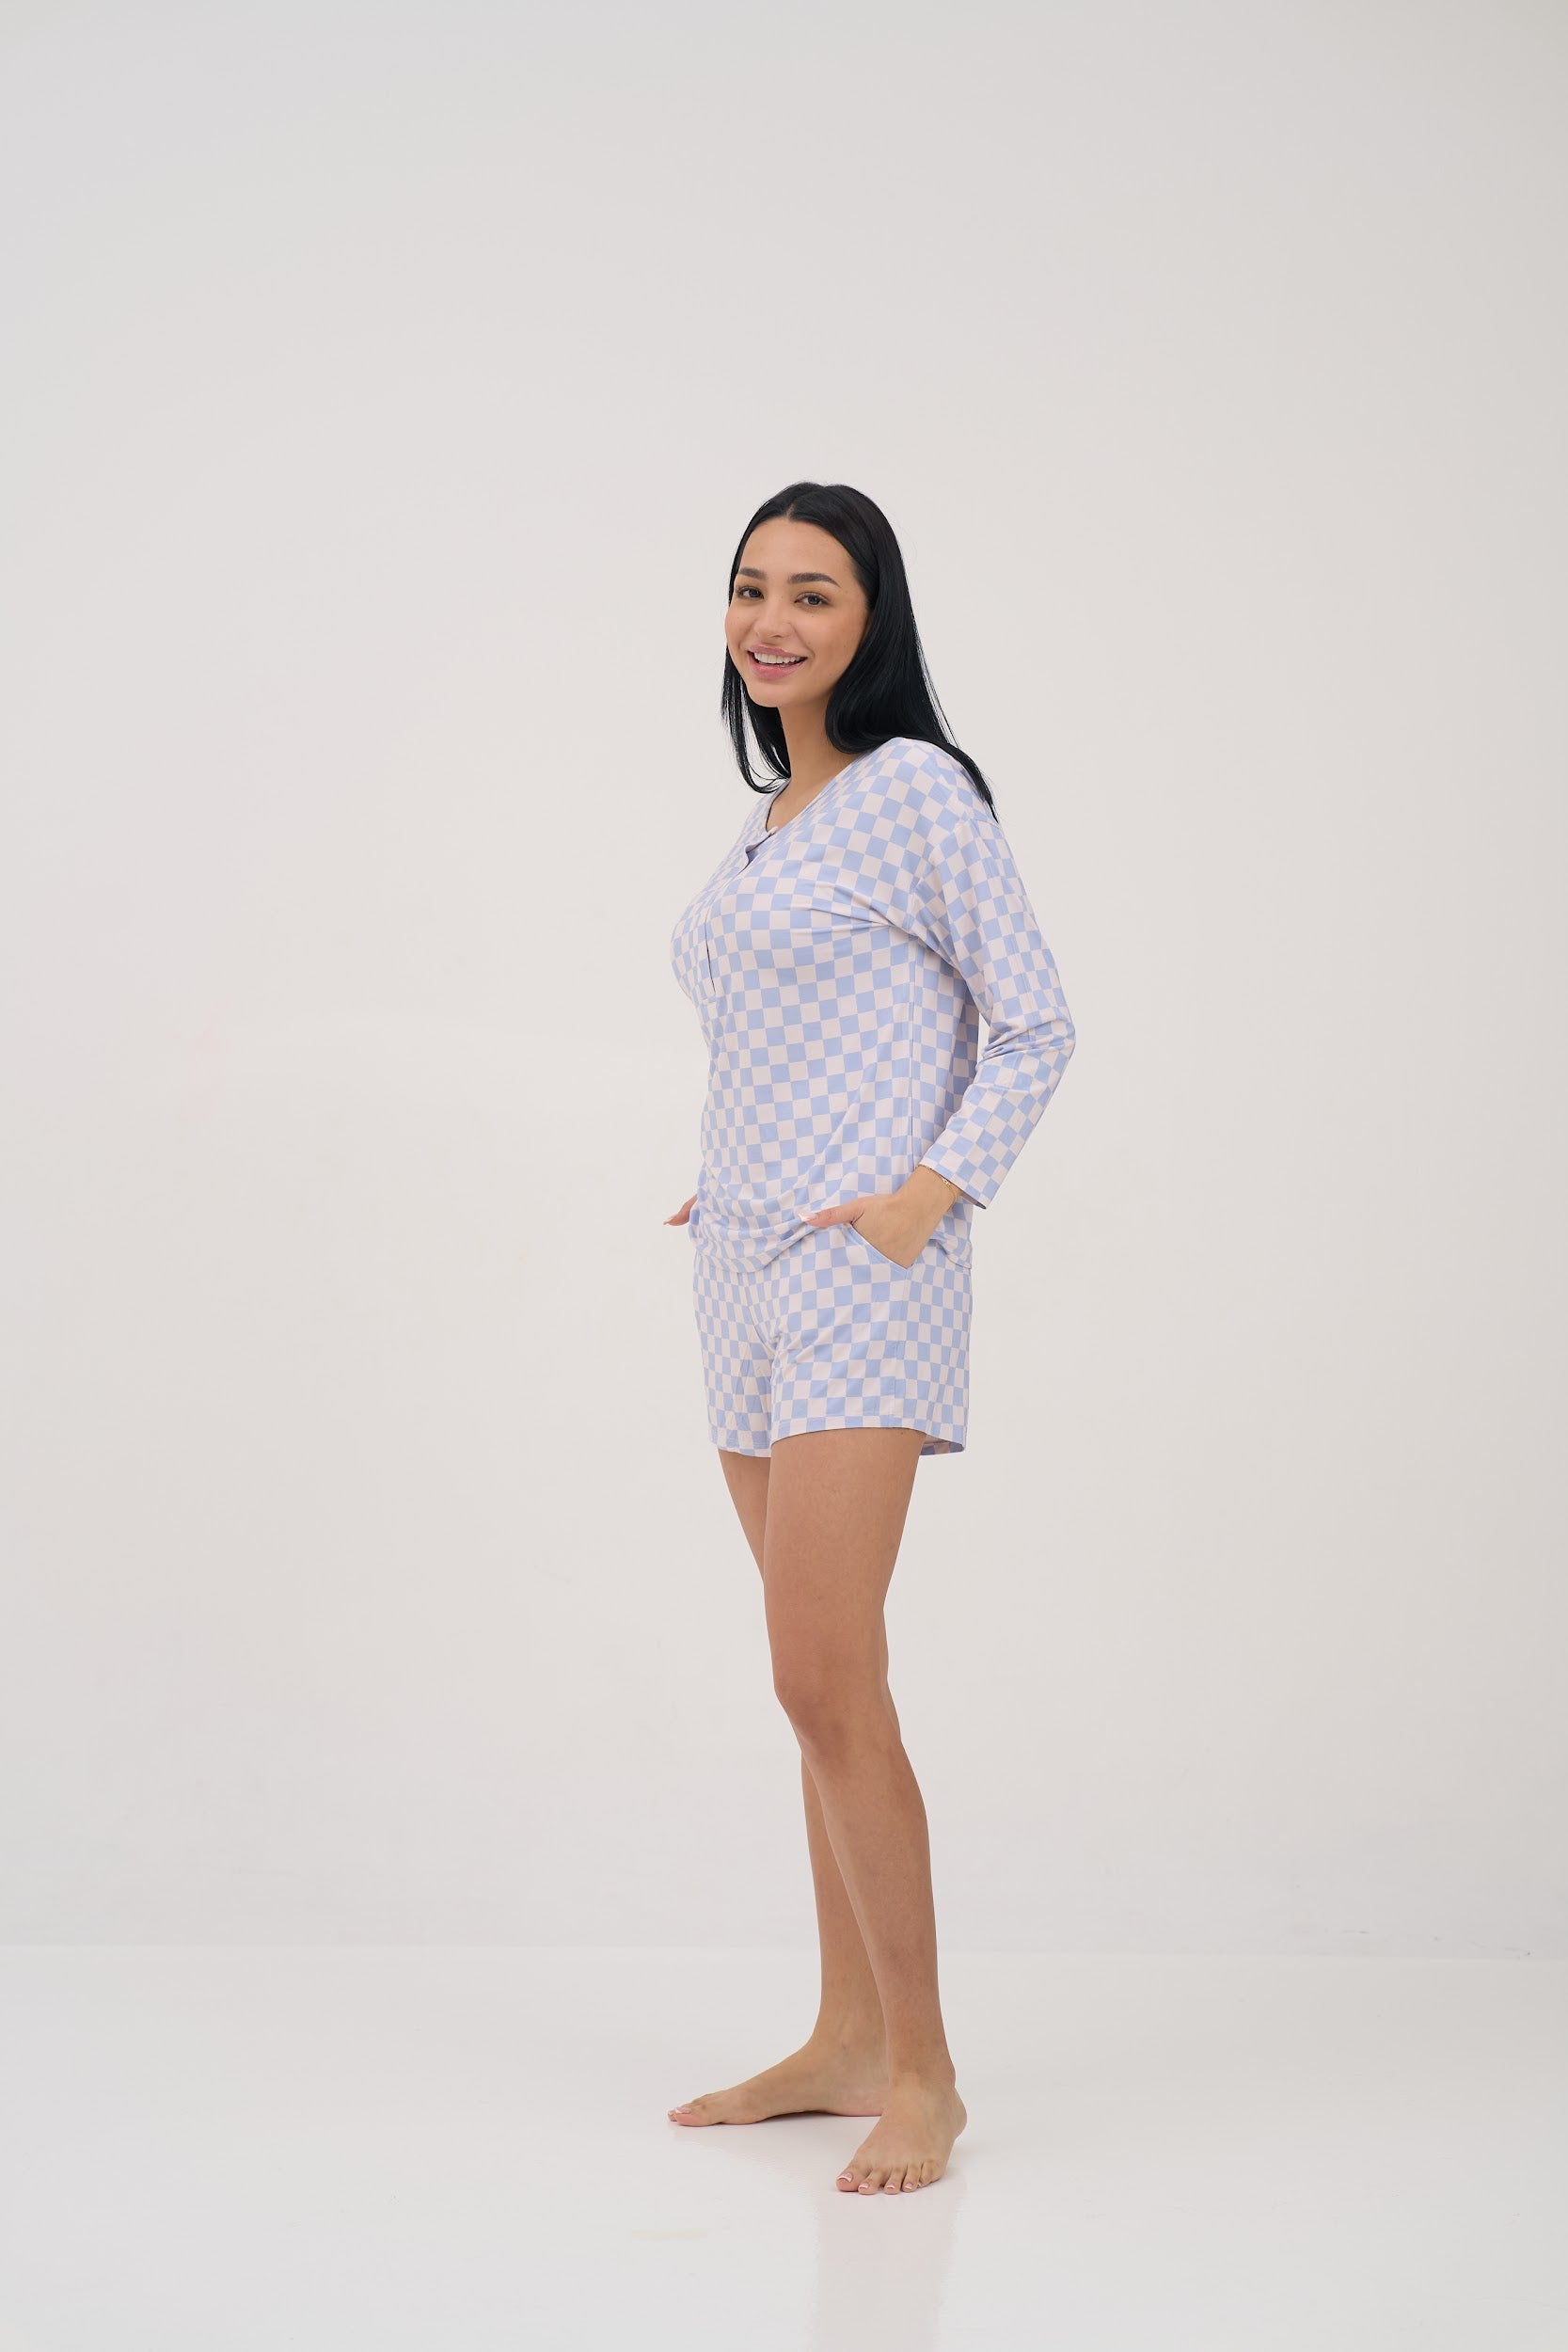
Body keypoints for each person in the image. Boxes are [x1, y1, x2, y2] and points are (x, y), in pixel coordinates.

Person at [663, 482, 1076, 2196]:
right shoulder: (772, 821)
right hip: (740, 1269)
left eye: (813, 594)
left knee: (826, 1677)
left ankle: (927, 2075)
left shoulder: (914, 791)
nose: (772, 622)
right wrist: (729, 1184)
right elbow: (793, 1036)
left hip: (862, 1277)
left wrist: (924, 1197)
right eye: (751, 589)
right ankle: (843, 2037)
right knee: (812, 1687)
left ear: (871, 620)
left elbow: (1036, 1022)